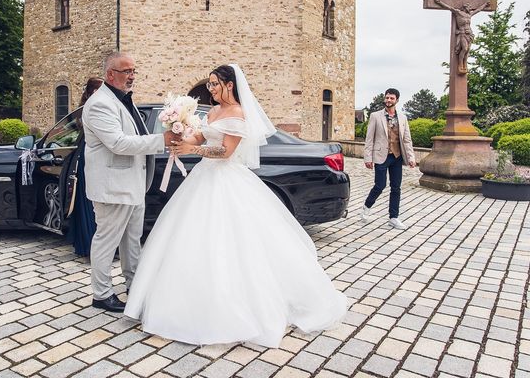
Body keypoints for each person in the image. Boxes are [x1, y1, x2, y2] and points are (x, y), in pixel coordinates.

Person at [124, 64, 347, 348]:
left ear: (230, 85)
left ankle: (236, 307)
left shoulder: (239, 114)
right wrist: (181, 138)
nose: (212, 89)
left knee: (231, 242)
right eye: (210, 85)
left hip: (226, 179)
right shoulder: (213, 111)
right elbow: (201, 137)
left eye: (216, 84)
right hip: (202, 179)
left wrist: (192, 150)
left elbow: (225, 152)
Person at [82, 52, 174, 312]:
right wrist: (162, 140)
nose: (132, 75)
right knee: (106, 241)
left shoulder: (123, 99)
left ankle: (135, 285)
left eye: (134, 70)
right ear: (110, 74)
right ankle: (101, 295)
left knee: (132, 240)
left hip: (133, 184)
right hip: (113, 187)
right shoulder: (100, 103)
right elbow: (118, 143)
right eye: (127, 71)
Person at [360, 88, 416, 230]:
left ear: (397, 100)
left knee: (396, 187)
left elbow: (407, 139)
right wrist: (368, 157)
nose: (388, 100)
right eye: (387, 98)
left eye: (391, 98)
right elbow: (369, 138)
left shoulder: (403, 118)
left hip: (396, 157)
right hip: (380, 156)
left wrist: (411, 157)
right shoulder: (375, 116)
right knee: (380, 185)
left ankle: (393, 217)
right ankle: (367, 205)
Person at [67, 77, 103, 257]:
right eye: (98, 89)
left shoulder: (95, 108)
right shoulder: (86, 110)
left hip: (90, 158)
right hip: (86, 160)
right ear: (91, 92)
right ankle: (88, 244)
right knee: (88, 203)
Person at [434, 0, 490, 75]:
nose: (470, 8)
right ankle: (460, 64)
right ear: (465, 8)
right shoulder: (458, 13)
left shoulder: (469, 14)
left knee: (467, 51)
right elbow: (449, 7)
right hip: (462, 33)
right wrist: (440, 2)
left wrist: (485, 5)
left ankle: (465, 64)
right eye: (469, 7)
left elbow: (478, 10)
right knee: (464, 48)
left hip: (469, 34)